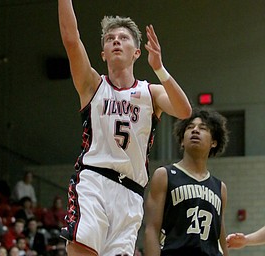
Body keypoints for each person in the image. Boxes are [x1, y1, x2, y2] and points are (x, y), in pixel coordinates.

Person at [58, 1, 192, 255]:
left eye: (123, 38)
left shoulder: (150, 93)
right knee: (81, 250)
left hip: (131, 194)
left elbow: (184, 111)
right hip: (94, 182)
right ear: (103, 53)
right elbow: (71, 39)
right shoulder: (92, 85)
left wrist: (159, 69)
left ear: (137, 52)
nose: (116, 41)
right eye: (110, 39)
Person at [144, 107, 229, 256]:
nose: (195, 130)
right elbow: (151, 229)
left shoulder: (220, 187)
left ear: (214, 142)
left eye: (203, 128)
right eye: (190, 127)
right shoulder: (164, 175)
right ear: (182, 140)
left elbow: (219, 238)